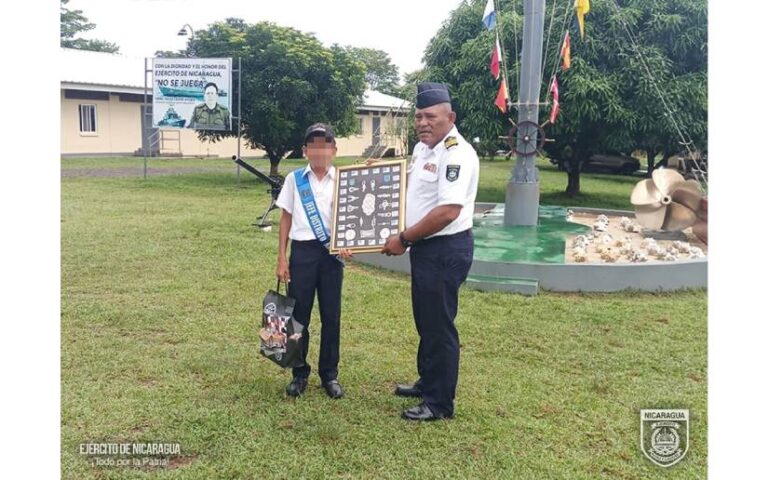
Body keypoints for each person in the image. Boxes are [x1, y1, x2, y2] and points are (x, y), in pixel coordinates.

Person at [381, 82, 479, 421]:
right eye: (419, 116)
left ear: (449, 116)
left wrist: (404, 238)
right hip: (426, 249)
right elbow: (409, 185)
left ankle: (439, 403)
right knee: (426, 319)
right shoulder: (425, 148)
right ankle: (428, 381)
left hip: (445, 248)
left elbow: (447, 212)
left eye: (431, 116)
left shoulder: (456, 153)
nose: (423, 123)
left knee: (439, 325)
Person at [275, 123, 352, 399]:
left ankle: (329, 375)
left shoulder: (345, 179)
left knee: (331, 316)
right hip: (303, 254)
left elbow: (350, 218)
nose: (319, 151)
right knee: (299, 316)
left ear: (333, 149)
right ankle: (299, 372)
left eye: (325, 145)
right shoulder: (295, 179)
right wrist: (282, 257)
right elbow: (286, 217)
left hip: (331, 256)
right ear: (305, 150)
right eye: (313, 146)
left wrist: (347, 243)